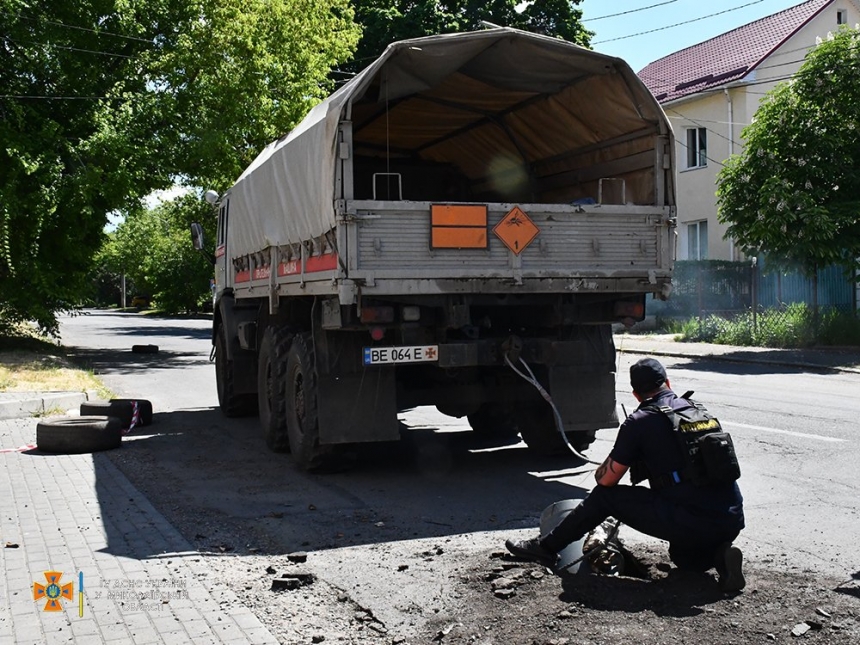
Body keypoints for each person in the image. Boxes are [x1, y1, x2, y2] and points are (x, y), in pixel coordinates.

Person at [506, 358, 746, 592]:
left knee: (604, 497)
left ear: (636, 395)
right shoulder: (698, 411)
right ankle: (721, 555)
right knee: (683, 558)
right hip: (731, 519)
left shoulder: (639, 421)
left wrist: (620, 455)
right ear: (668, 384)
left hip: (690, 520)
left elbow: (606, 480)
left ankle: (546, 547)